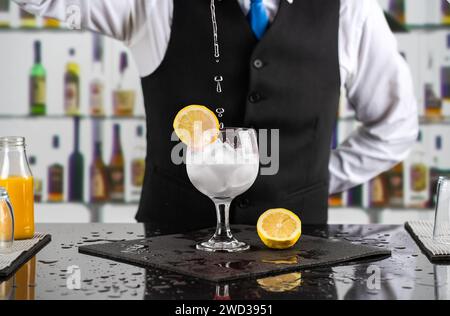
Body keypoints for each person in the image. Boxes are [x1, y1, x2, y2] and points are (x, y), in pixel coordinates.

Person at [13, 0, 418, 232]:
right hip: (173, 249)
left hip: (298, 251)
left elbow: (395, 126)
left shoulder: (350, 8)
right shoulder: (157, 4)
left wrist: (316, 175)